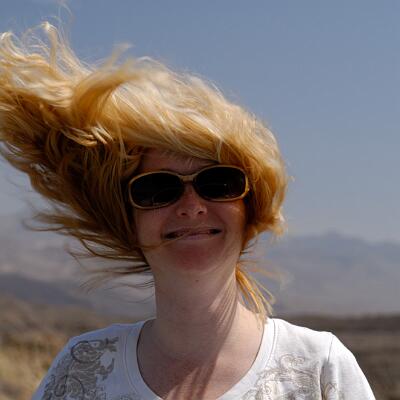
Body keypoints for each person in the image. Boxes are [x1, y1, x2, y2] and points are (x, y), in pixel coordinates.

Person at [0, 23, 375, 400]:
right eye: (157, 190)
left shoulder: (320, 369)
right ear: (130, 219)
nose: (192, 206)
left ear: (249, 207)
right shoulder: (81, 368)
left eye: (218, 183)